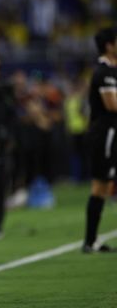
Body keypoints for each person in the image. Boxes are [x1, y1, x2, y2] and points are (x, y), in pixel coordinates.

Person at [82, 26, 117, 253]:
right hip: (105, 134)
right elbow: (112, 105)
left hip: (110, 133)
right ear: (109, 45)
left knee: (105, 186)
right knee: (100, 185)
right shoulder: (104, 73)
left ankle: (91, 241)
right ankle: (90, 241)